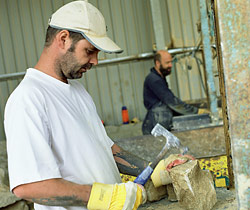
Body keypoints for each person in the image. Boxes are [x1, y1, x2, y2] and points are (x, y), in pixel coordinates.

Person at [4, 1, 152, 210]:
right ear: (63, 39)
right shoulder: (29, 99)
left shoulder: (77, 91)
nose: (95, 61)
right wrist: (103, 197)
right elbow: (29, 186)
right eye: (89, 51)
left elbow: (106, 148)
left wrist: (151, 170)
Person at [142, 50, 207, 135]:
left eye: (171, 62)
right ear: (158, 63)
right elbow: (172, 102)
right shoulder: (154, 80)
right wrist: (197, 112)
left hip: (158, 124)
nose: (171, 65)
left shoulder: (159, 78)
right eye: (167, 63)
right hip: (155, 126)